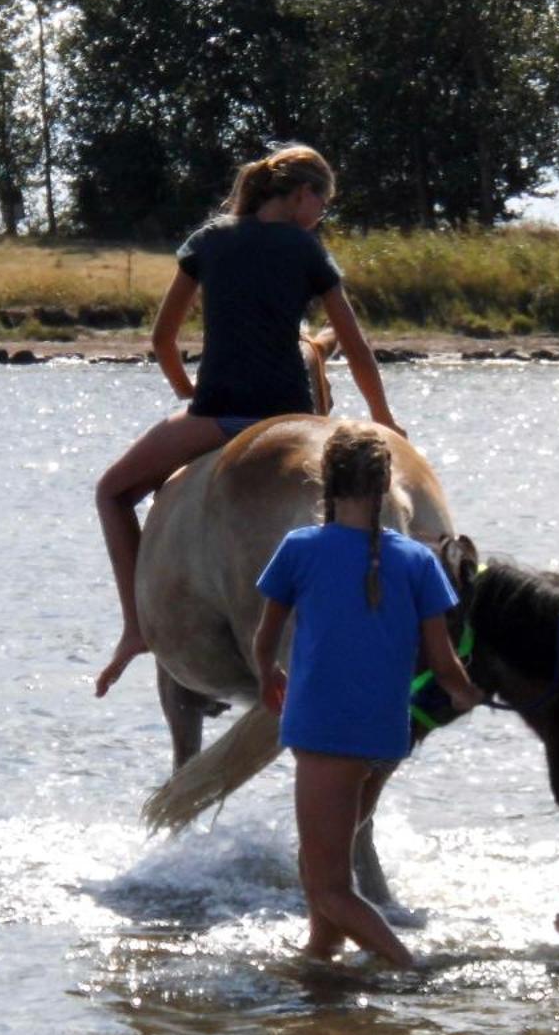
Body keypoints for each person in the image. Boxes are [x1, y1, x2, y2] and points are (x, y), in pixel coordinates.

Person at [94, 144, 403, 697]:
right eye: (323, 203)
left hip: (221, 414)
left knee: (112, 492)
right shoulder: (307, 250)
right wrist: (383, 418)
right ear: (302, 194)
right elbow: (354, 346)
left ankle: (136, 630)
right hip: (292, 411)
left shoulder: (211, 241)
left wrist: (189, 393)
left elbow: (163, 338)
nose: (321, 215)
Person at [251, 423, 483, 967]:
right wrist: (467, 693)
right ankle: (319, 957)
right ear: (385, 490)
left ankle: (410, 970)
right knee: (322, 865)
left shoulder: (301, 549)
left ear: (325, 483)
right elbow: (445, 662)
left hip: (325, 730)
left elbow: (265, 641)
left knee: (329, 884)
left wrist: (268, 676)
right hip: (384, 732)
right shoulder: (418, 561)